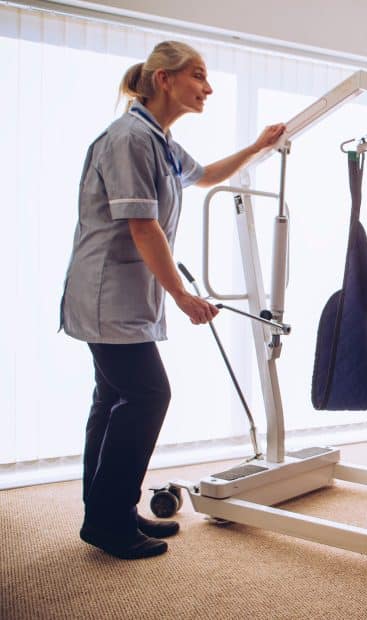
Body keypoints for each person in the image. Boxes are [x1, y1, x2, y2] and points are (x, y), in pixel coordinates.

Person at [59, 40, 286, 560]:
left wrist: (255, 147)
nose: (207, 88)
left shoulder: (157, 139)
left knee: (113, 400)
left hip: (120, 297)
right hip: (106, 296)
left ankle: (107, 511)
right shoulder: (129, 139)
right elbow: (144, 228)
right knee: (146, 395)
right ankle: (109, 520)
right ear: (164, 79)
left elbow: (204, 175)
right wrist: (182, 295)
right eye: (198, 76)